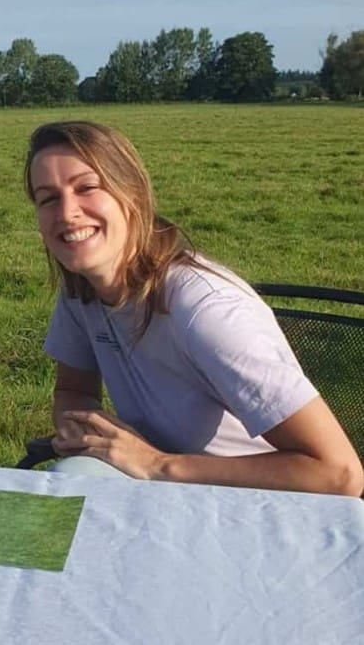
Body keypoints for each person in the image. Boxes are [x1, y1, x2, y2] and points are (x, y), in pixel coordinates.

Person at [24, 120, 363, 496]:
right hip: (167, 489)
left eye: (87, 187)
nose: (67, 212)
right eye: (48, 198)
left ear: (132, 194)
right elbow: (72, 390)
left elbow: (340, 475)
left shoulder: (206, 309)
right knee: (66, 488)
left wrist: (156, 463)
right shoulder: (80, 290)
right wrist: (84, 435)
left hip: (265, 505)